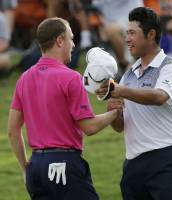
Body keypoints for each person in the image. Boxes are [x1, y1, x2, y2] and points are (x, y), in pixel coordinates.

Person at [8, 17, 119, 200]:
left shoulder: (24, 78)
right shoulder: (71, 78)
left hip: (36, 167)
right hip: (64, 166)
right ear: (60, 41)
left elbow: (13, 131)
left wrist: (26, 168)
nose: (73, 44)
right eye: (71, 38)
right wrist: (114, 113)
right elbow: (89, 127)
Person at [97, 7, 172, 200]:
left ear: (151, 34)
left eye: (132, 33)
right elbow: (120, 126)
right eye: (126, 33)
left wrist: (119, 91)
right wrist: (114, 111)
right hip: (133, 164)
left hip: (166, 159)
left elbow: (159, 97)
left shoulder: (171, 67)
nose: (127, 39)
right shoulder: (129, 74)